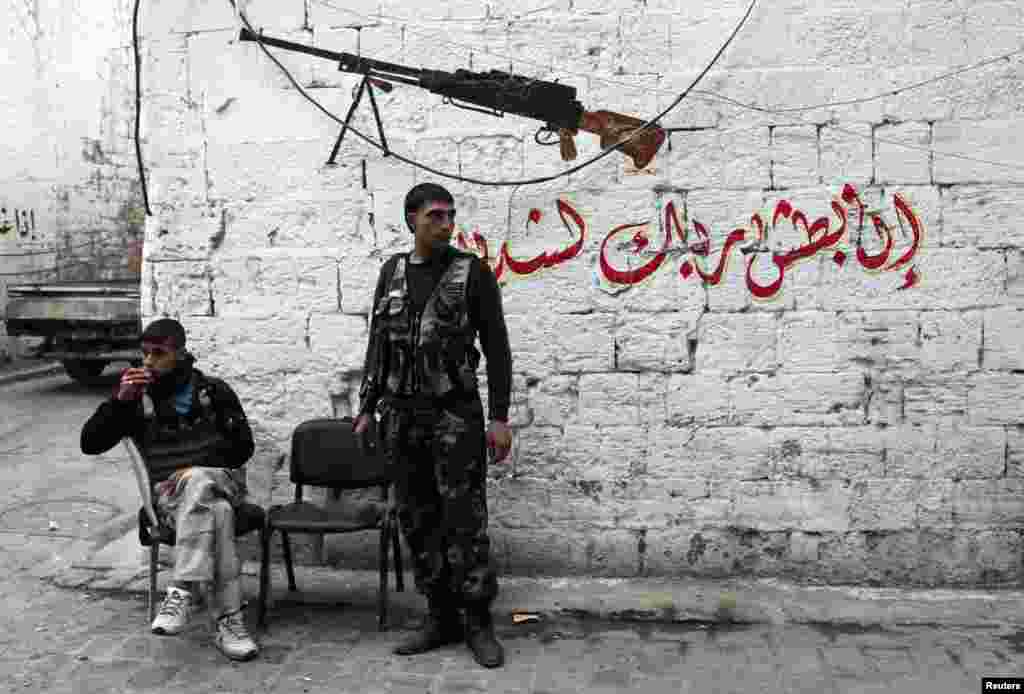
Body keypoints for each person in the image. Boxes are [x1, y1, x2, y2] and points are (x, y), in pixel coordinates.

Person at [355, 182, 513, 668]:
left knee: (465, 522)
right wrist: (366, 405)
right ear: (411, 221)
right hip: (401, 418)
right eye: (435, 217)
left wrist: (500, 418)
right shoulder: (392, 274)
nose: (446, 224)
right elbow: (378, 344)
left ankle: (477, 620)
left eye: (450, 215)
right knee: (417, 520)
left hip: (455, 416)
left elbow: (498, 349)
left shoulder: (472, 273)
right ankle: (439, 615)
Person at [80, 318, 259, 661]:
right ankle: (229, 624)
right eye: (144, 354)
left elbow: (243, 448)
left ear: (180, 353)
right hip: (170, 501)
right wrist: (120, 402)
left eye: (158, 354)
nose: (148, 362)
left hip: (221, 484)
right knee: (215, 511)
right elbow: (90, 443)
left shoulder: (214, 392)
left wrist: (197, 469)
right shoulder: (135, 397)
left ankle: (181, 589)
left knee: (199, 483)